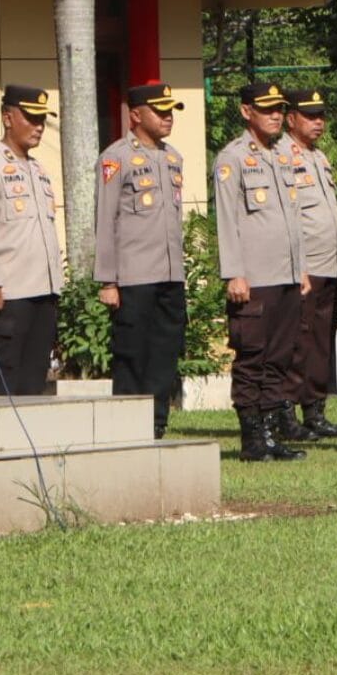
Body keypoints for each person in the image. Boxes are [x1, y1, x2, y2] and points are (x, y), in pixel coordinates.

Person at [214, 82, 311, 462]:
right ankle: (252, 437)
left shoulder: (285, 155)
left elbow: (293, 219)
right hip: (253, 278)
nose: (275, 115)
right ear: (245, 112)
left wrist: (300, 268)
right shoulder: (232, 158)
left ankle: (271, 433)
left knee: (280, 357)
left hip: (285, 275)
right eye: (266, 108)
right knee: (252, 356)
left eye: (278, 109)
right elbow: (226, 220)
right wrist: (233, 273)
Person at [94, 82, 188, 440]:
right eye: (160, 111)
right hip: (133, 277)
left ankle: (156, 422)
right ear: (135, 115)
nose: (167, 118)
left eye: (170, 112)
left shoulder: (172, 157)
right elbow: (105, 221)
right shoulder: (114, 158)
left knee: (165, 351)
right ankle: (126, 426)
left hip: (169, 274)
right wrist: (108, 280)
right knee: (132, 353)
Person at [0, 85, 63, 396]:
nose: (38, 127)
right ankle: (0, 444)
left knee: (35, 378)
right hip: (10, 293)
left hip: (43, 291)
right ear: (8, 118)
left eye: (42, 120)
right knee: (6, 377)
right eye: (31, 118)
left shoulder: (38, 170)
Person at [281, 87, 337, 440]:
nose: (318, 122)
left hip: (329, 266)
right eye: (310, 116)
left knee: (323, 341)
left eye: (321, 115)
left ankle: (315, 410)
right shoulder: (281, 154)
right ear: (290, 118)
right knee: (298, 341)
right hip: (304, 267)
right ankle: (286, 412)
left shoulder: (318, 157)